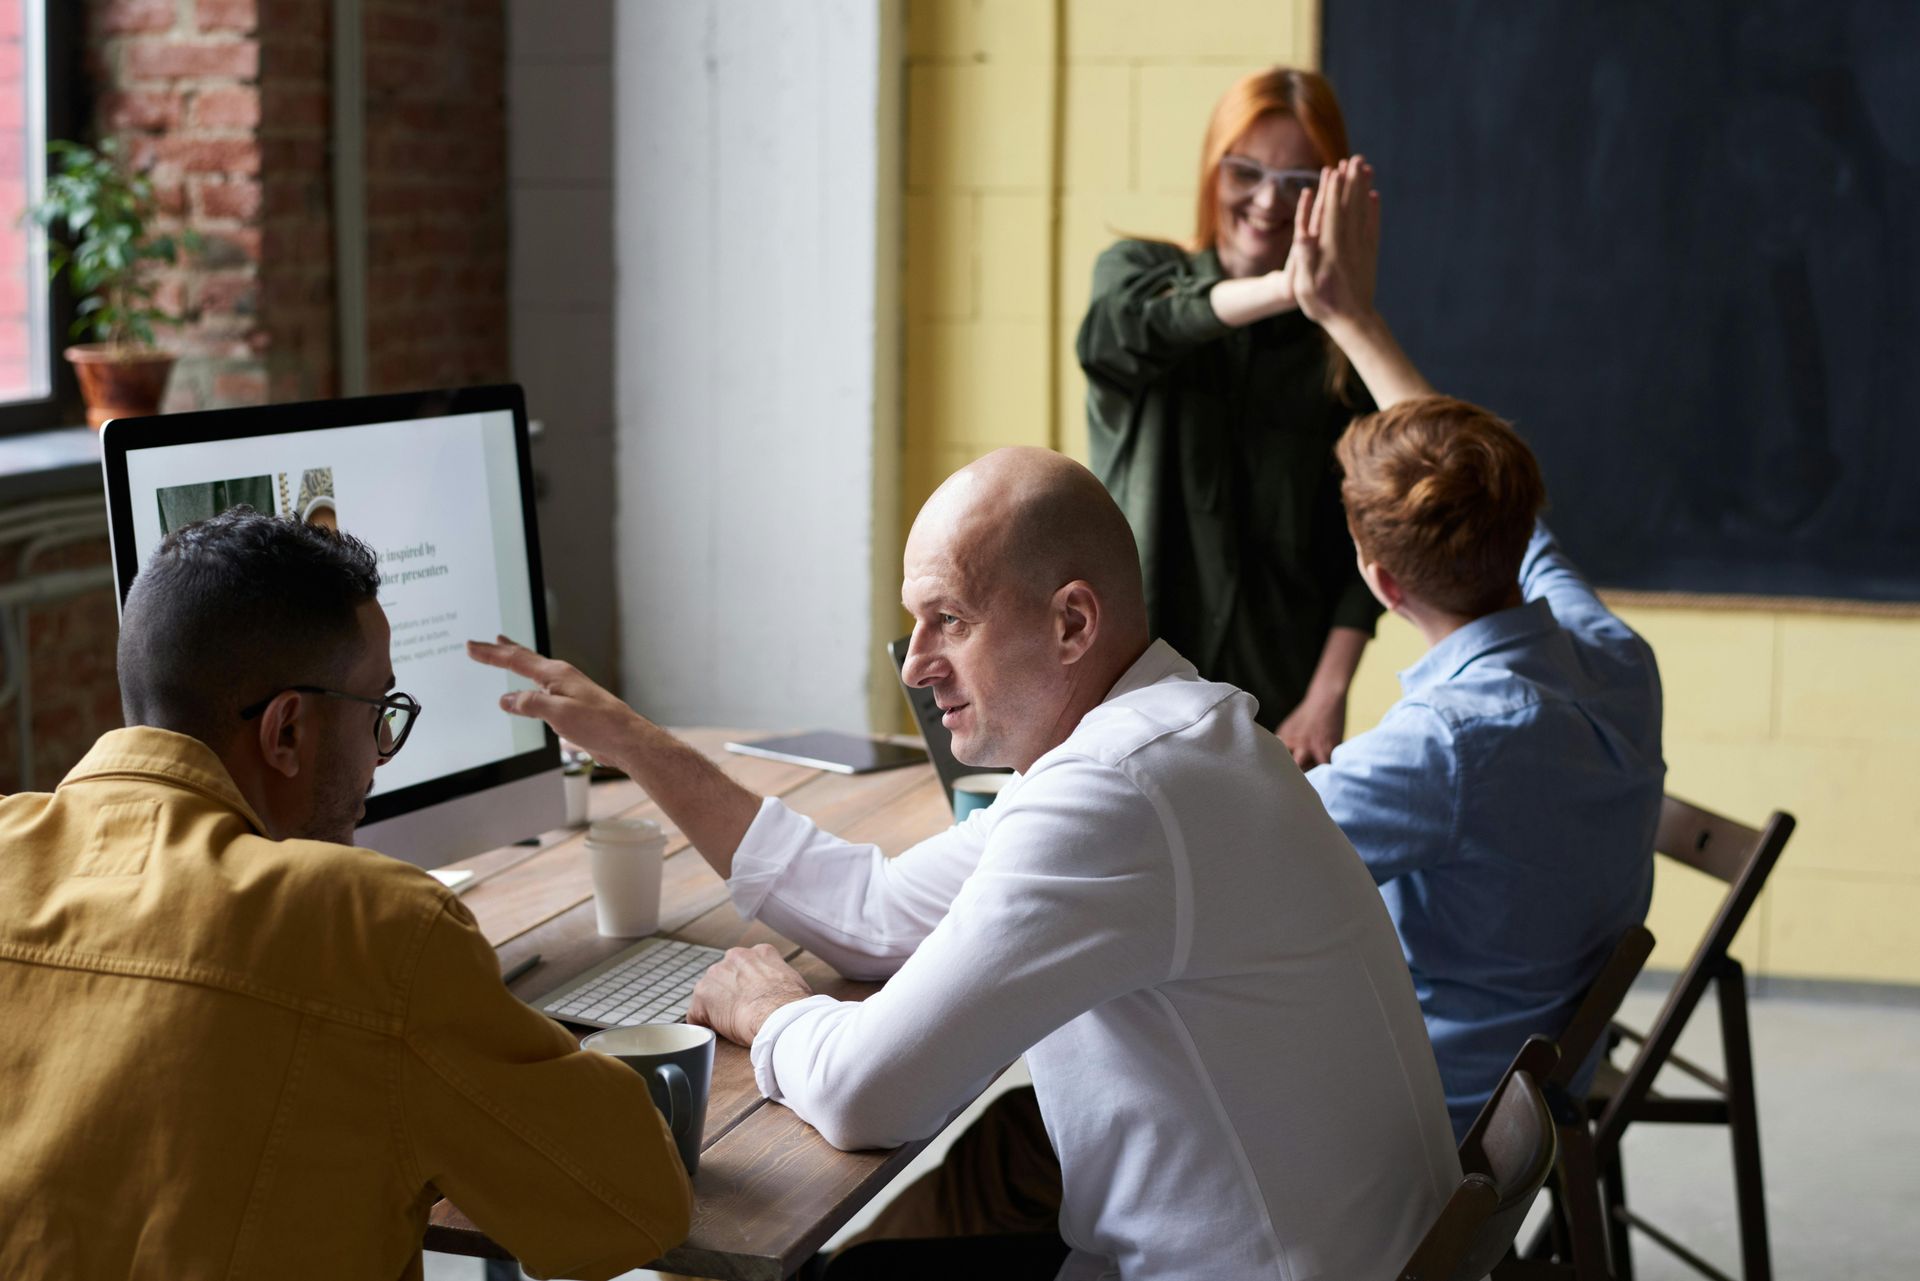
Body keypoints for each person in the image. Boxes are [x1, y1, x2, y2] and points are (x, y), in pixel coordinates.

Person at [468, 445, 1459, 1281]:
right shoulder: (1164, 740)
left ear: (1071, 623)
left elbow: (870, 1093)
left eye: (951, 620)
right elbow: (872, 911)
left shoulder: (1116, 790)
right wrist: (634, 739)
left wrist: (771, 1013)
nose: (913, 662)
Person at [0, 509, 691, 1280]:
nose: (381, 755)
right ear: (286, 731)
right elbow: (633, 1208)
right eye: (380, 712)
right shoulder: (372, 929)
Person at [1077, 65, 1383, 768]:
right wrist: (1285, 288)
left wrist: (1327, 694)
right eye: (1246, 171)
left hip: (1271, 723)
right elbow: (1124, 332)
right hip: (1124, 712)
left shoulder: (1337, 354)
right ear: (1213, 171)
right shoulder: (1138, 274)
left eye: (1300, 183)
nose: (1269, 201)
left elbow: (1361, 554)